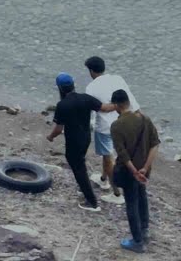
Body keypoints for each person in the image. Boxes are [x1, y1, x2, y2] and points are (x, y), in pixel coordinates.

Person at [46, 72, 117, 211]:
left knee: (79, 169)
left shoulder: (62, 105)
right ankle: (83, 188)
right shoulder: (85, 98)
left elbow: (59, 129)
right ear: (73, 85)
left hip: (73, 141)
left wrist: (50, 137)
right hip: (86, 138)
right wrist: (120, 104)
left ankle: (92, 202)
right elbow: (105, 108)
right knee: (80, 163)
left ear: (60, 88)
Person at [84, 55, 139, 204]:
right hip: (126, 122)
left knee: (108, 158)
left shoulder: (91, 88)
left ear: (91, 71)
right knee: (108, 156)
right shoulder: (118, 79)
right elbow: (131, 100)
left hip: (106, 128)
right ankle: (103, 179)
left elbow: (91, 111)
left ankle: (116, 194)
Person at [110, 88, 159, 254]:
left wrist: (134, 171)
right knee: (142, 195)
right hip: (145, 169)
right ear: (128, 102)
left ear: (116, 105)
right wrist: (145, 168)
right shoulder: (145, 119)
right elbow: (155, 144)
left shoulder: (116, 126)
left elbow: (122, 154)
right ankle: (144, 230)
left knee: (131, 202)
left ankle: (137, 241)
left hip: (129, 171)